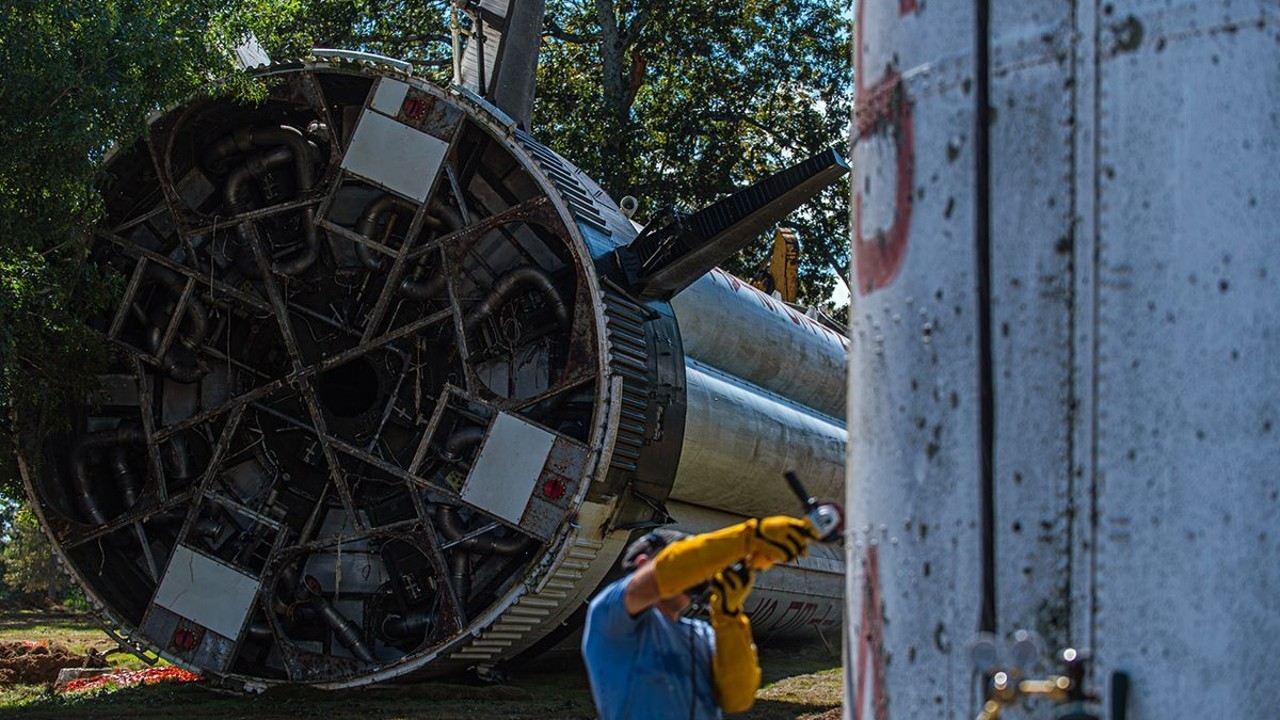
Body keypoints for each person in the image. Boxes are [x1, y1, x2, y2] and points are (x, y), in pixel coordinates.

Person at [581, 517, 817, 719]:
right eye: (694, 567)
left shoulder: (701, 634)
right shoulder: (610, 614)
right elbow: (666, 573)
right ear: (643, 564)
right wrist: (749, 537)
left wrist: (728, 616)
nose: (700, 576)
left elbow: (738, 699)